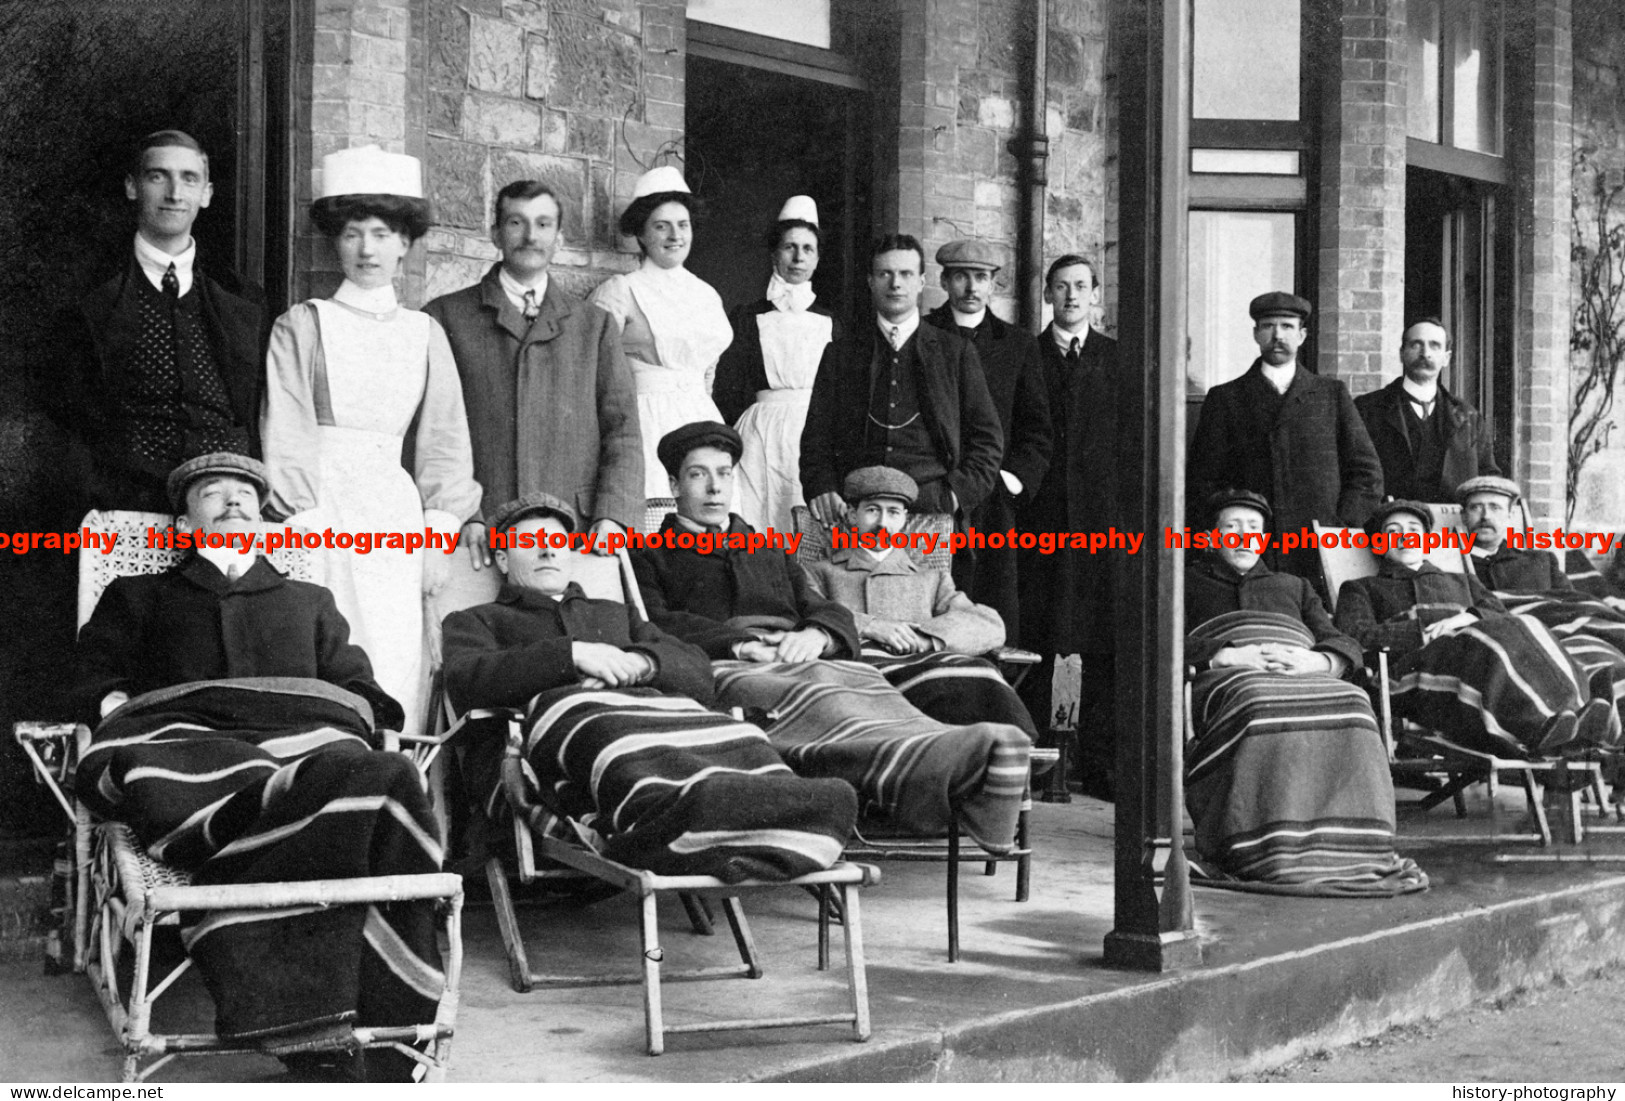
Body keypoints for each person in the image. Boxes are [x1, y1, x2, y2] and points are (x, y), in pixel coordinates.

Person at [72, 453, 440, 1081]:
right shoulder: (140, 595)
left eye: (245, 494)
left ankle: (375, 1029)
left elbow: (358, 688)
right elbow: (92, 679)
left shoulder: (309, 599)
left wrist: (351, 718)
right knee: (326, 785)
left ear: (264, 517)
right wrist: (134, 715)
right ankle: (312, 1021)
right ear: (184, 526)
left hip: (304, 744)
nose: (233, 502)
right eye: (212, 494)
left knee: (384, 775)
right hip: (190, 754)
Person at [632, 422, 1031, 852]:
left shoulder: (770, 548)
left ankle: (954, 755)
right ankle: (946, 771)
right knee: (825, 700)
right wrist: (740, 644)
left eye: (724, 473)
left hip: (806, 654)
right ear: (674, 484)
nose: (714, 488)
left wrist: (819, 636)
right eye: (698, 475)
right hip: (730, 664)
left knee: (868, 688)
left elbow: (822, 607)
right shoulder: (650, 554)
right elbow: (653, 622)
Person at [441, 493, 855, 880]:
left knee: (733, 730)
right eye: (529, 541)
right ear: (501, 557)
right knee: (602, 728)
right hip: (563, 738)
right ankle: (681, 821)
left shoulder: (616, 613)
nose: (548, 550)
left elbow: (696, 668)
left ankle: (757, 808)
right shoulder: (476, 619)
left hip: (647, 716)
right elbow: (465, 681)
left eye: (557, 541)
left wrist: (644, 662)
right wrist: (572, 656)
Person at [261, 146, 482, 738]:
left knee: (393, 650)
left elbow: (444, 441)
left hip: (392, 511)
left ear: (404, 244)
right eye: (354, 234)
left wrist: (437, 536)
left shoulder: (424, 333)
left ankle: (394, 784)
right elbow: (285, 428)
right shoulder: (303, 323)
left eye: (382, 235)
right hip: (320, 509)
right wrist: (298, 520)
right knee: (324, 646)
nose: (367, 250)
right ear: (336, 242)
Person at [1183, 489, 1425, 894]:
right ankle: (1260, 843)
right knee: (1258, 701)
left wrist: (1319, 662)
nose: (1243, 538)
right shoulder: (1186, 580)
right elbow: (1158, 640)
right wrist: (1226, 656)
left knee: (1353, 701)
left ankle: (1352, 845)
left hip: (1300, 669)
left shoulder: (1293, 585)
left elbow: (1339, 639)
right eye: (1231, 528)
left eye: (1254, 530)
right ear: (1211, 536)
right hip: (1227, 677)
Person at [423, 179, 643, 615]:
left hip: (573, 531)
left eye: (543, 224)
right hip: (481, 531)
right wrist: (460, 516)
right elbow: (427, 432)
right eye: (516, 222)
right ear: (495, 233)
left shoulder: (593, 326)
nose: (530, 236)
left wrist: (612, 514)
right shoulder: (446, 317)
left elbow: (623, 430)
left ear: (559, 237)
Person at [47, 130, 267, 513]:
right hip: (121, 502)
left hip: (224, 511)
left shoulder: (244, 300)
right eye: (157, 176)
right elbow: (68, 421)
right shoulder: (84, 296)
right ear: (133, 187)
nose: (174, 193)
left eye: (189, 178)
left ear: (207, 194)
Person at [1332, 501, 1619, 760]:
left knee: (1526, 623)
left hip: (1470, 664)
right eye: (1393, 531)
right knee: (1483, 640)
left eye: (1413, 529)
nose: (1405, 536)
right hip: (1410, 675)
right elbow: (1356, 636)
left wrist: (1464, 618)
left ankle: (1571, 715)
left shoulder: (1463, 580)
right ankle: (1541, 724)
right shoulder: (1362, 588)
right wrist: (1424, 630)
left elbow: (1500, 613)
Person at [798, 465, 1037, 739]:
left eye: (893, 512)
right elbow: (804, 612)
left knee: (980, 674)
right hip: (857, 683)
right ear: (853, 516)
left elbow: (988, 624)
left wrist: (925, 638)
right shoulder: (821, 572)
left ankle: (1006, 749)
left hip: (925, 679)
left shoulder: (931, 579)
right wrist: (870, 626)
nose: (882, 523)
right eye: (872, 510)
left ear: (903, 521)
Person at [799, 234, 1004, 540]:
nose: (895, 284)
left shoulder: (955, 352)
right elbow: (816, 438)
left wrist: (954, 495)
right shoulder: (842, 353)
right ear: (870, 281)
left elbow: (988, 441)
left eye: (906, 274)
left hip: (931, 508)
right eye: (885, 274)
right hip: (852, 511)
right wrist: (823, 488)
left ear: (921, 282)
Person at [1188, 291, 1383, 588]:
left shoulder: (1331, 395)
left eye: (1287, 326)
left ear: (1302, 335)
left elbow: (1367, 474)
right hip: (1250, 553)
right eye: (1268, 326)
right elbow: (1203, 480)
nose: (1277, 335)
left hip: (1318, 552)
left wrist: (1338, 529)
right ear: (1255, 334)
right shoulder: (1226, 398)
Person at [1016, 254, 1120, 794]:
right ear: (1049, 296)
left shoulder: (1118, 359)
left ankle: (1098, 760)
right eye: (1061, 287)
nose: (1072, 296)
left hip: (1103, 521)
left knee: (1102, 641)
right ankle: (1034, 760)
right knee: (1037, 634)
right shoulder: (1026, 355)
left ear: (1095, 295)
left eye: (1081, 286)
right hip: (1041, 519)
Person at [923, 239, 1052, 637]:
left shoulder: (1018, 344)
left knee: (994, 603)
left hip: (994, 498)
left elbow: (1037, 429)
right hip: (934, 492)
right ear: (945, 281)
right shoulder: (923, 334)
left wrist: (1011, 480)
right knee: (932, 594)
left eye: (981, 278)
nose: (971, 288)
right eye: (961, 276)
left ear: (994, 284)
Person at [589, 165, 732, 504]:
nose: (674, 236)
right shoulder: (620, 291)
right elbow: (595, 372)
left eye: (682, 226)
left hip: (703, 419)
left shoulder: (707, 294)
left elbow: (708, 371)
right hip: (645, 422)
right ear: (641, 234)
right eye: (661, 226)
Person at [712, 195, 838, 533]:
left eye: (808, 249)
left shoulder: (831, 321)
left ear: (817, 259)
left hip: (813, 431)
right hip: (761, 434)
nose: (798, 257)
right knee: (760, 520)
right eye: (790, 247)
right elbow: (727, 389)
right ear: (774, 255)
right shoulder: (747, 316)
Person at [1355, 318, 1499, 504]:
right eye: (1416, 344)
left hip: (1450, 528)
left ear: (1446, 358)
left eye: (1435, 346)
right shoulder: (1368, 409)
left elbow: (1488, 480)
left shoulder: (1469, 417)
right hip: (1387, 527)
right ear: (1402, 353)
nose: (1425, 353)